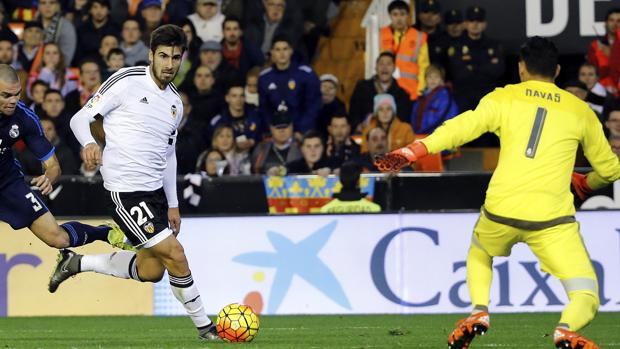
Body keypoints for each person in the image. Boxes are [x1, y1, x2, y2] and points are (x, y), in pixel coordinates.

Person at [374, 36, 618, 349]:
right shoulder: (580, 110)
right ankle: (566, 330)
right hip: (552, 218)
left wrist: (412, 151)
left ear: (521, 68)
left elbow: (461, 128)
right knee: (585, 291)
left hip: (501, 208)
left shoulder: (504, 98)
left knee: (481, 252)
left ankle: (479, 312)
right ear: (556, 70)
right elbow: (611, 170)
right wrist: (588, 183)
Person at [54, 24, 221, 342]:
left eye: (175, 57)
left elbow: (169, 156)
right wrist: (89, 143)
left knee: (151, 271)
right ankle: (205, 327)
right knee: (176, 254)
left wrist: (172, 202)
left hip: (155, 195)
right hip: (124, 191)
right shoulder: (126, 81)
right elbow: (80, 119)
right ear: (151, 55)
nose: (169, 64)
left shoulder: (175, 104)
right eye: (163, 56)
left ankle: (77, 262)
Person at [0, 64, 127, 254]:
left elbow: (53, 166)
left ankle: (105, 233)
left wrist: (48, 177)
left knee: (59, 238)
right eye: (6, 95)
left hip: (7, 183)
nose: (13, 100)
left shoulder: (24, 118)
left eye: (17, 94)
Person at [258, 34, 321, 136]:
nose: (282, 53)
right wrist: (273, 130)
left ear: (291, 51)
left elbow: (313, 106)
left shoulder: (306, 74)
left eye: (285, 49)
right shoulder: (264, 78)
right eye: (277, 50)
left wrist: (301, 130)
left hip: (302, 133)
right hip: (275, 133)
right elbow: (264, 109)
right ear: (272, 52)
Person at [380, 0, 429, 100]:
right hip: (386, 92)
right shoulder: (380, 36)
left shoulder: (419, 37)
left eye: (402, 14)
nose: (399, 18)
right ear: (390, 16)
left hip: (410, 93)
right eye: (395, 14)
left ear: (408, 16)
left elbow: (424, 66)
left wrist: (420, 91)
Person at [349, 52, 411, 130]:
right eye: (381, 64)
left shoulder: (402, 95)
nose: (384, 68)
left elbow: (404, 121)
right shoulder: (362, 88)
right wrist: (358, 126)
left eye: (388, 64)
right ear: (376, 67)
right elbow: (353, 113)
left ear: (394, 68)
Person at [411, 63, 458, 134]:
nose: (433, 80)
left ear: (442, 80)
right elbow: (414, 118)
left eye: (436, 77)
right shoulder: (421, 98)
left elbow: (449, 119)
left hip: (436, 138)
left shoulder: (445, 97)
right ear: (425, 79)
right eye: (430, 77)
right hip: (420, 137)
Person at [251, 110, 302, 175]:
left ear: (291, 127)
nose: (282, 131)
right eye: (278, 128)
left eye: (285, 127)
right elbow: (254, 171)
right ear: (271, 129)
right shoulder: (261, 148)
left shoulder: (301, 146)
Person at [587, 8, 620, 93]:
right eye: (611, 20)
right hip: (601, 91)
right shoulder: (595, 45)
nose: (615, 24)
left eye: (618, 21)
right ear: (605, 23)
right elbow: (594, 72)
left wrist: (612, 56)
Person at [38, 0, 77, 64]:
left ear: (58, 6)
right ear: (38, 6)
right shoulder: (33, 24)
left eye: (52, 3)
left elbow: (66, 57)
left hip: (58, 70)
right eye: (43, 3)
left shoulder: (66, 26)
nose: (47, 6)